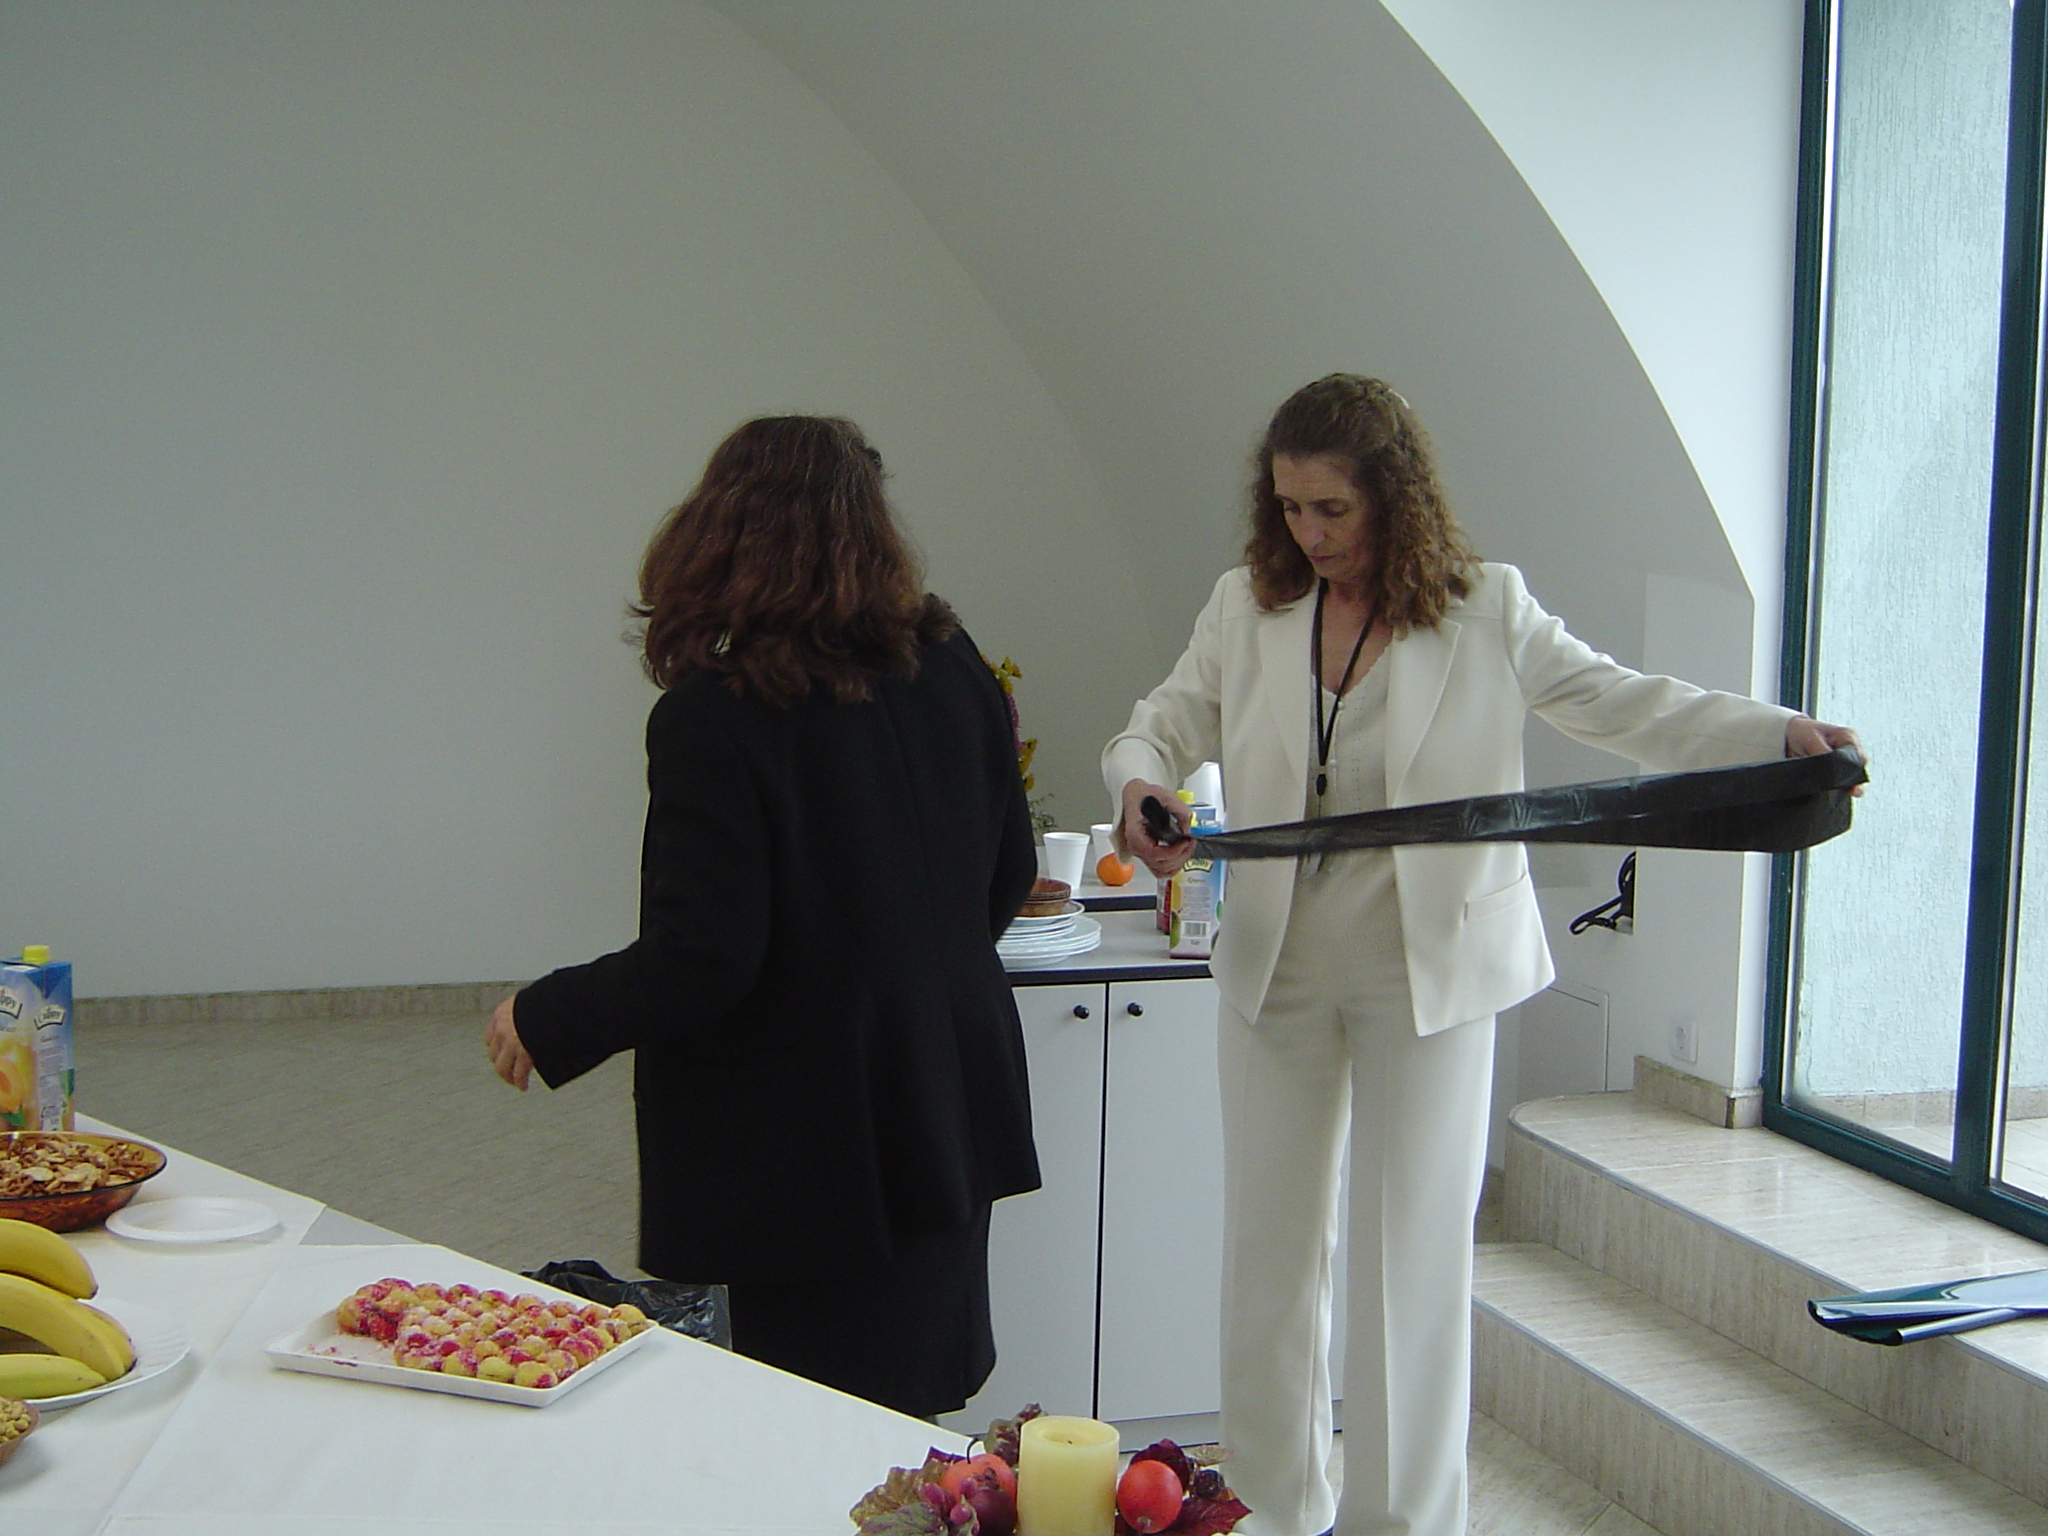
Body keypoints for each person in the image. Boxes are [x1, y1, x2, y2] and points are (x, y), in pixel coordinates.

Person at [1103, 375, 1861, 1536]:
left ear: (1392, 498)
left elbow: (1622, 704)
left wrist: (1772, 737)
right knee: (1268, 1260)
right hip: (1274, 966)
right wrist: (1139, 787)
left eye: (1331, 509)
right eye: (1290, 508)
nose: (1308, 534)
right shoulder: (1242, 607)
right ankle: (1269, 1510)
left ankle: (1400, 1524)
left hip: (1429, 973)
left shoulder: (1483, 608)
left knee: (1408, 1265)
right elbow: (1156, 724)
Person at [485, 414, 1041, 1419]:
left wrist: (549, 1013)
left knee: (813, 1419)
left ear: (720, 533)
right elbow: (1007, 873)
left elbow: (704, 955)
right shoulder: (952, 665)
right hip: (945, 1094)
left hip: (812, 1139)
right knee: (908, 1407)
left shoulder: (715, 717)